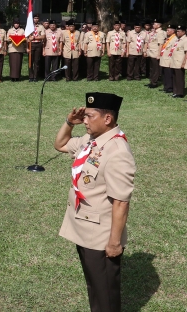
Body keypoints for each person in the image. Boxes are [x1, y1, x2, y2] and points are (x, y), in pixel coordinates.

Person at [54, 92, 135, 312]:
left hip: (100, 237)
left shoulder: (117, 151)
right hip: (84, 228)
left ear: (107, 119)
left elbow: (121, 202)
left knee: (105, 296)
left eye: (89, 116)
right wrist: (69, 122)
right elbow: (60, 144)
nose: (85, 121)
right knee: (95, 288)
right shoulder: (92, 141)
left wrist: (114, 243)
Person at [145, 19, 167, 89]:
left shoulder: (160, 32)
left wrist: (159, 54)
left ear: (159, 25)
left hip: (156, 53)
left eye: (155, 24)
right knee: (152, 68)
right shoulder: (153, 32)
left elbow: (161, 44)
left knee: (156, 68)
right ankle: (151, 81)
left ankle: (154, 82)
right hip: (151, 52)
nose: (153, 25)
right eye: (153, 24)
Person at [159, 24, 178, 94]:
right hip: (164, 59)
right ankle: (166, 86)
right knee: (164, 74)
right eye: (167, 30)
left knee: (169, 74)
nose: (167, 31)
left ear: (173, 31)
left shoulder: (175, 39)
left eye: (168, 30)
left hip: (169, 59)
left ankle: (169, 88)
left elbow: (173, 50)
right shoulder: (169, 38)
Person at [27, 13, 46, 82]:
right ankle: (30, 76)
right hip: (31, 44)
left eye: (37, 18)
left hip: (38, 44)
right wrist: (27, 47)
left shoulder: (41, 27)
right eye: (35, 18)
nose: (36, 19)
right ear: (32, 19)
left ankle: (35, 76)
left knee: (36, 61)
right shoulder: (29, 26)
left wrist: (35, 37)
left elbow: (43, 36)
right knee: (30, 61)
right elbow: (26, 37)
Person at [170, 24, 187, 98]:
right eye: (177, 31)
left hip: (180, 62)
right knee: (175, 77)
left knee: (179, 78)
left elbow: (186, 52)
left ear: (184, 32)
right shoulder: (178, 39)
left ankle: (180, 93)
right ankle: (175, 91)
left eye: (179, 31)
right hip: (174, 61)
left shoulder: (185, 40)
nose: (177, 33)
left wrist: (184, 62)